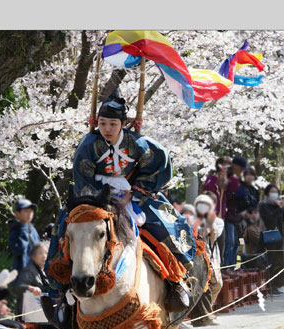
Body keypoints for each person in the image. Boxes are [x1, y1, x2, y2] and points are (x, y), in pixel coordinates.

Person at [69, 91, 194, 312]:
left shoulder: (139, 144)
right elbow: (82, 175)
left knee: (166, 224)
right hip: (96, 198)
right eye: (102, 123)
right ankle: (58, 290)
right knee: (67, 225)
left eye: (112, 124)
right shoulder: (89, 144)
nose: (107, 129)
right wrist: (101, 199)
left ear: (123, 124)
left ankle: (176, 281)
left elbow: (159, 165)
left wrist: (135, 192)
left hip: (132, 192)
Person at [188, 192, 224, 327]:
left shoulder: (216, 221)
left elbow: (213, 235)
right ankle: (205, 316)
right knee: (203, 288)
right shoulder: (190, 219)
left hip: (210, 257)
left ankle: (206, 313)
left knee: (216, 284)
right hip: (195, 258)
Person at [203, 156, 240, 268]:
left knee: (225, 243)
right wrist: (217, 178)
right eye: (223, 164)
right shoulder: (212, 178)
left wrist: (229, 176)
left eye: (228, 164)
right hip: (211, 216)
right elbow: (208, 187)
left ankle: (224, 268)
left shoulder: (229, 180)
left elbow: (236, 188)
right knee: (213, 244)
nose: (225, 166)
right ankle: (217, 268)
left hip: (222, 217)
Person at [259, 184, 284, 294]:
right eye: (272, 192)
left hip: (280, 237)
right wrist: (279, 208)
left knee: (279, 261)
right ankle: (270, 285)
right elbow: (270, 220)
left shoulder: (277, 205)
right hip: (269, 238)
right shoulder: (263, 205)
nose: (275, 195)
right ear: (267, 194)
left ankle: (278, 284)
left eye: (276, 192)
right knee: (271, 261)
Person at [13, 243, 50, 317]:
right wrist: (31, 288)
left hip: (42, 311)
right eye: (40, 253)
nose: (44, 256)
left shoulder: (45, 270)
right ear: (33, 257)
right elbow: (18, 287)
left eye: (46, 253)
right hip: (28, 312)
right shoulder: (29, 270)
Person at [8, 199, 40, 274]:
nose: (29, 214)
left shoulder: (32, 229)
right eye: (26, 211)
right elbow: (18, 250)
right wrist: (23, 229)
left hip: (36, 272)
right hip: (22, 273)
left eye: (31, 211)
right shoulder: (16, 230)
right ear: (17, 214)